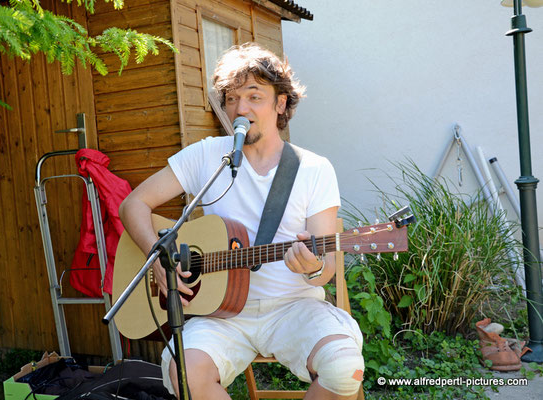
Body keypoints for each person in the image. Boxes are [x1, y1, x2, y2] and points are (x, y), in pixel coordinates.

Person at [119, 43, 364, 400]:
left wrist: (312, 267)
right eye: (231, 99)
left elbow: (326, 268)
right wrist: (156, 256)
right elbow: (133, 204)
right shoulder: (207, 155)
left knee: (344, 368)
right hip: (221, 314)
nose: (241, 108)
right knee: (184, 373)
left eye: (254, 96)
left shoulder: (313, 169)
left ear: (280, 104)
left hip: (295, 308)